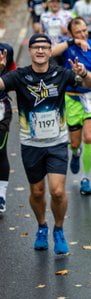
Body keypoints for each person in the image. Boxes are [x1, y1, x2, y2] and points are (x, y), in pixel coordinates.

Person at [0, 34, 91, 253]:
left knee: (57, 192)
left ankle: (59, 229)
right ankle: (42, 226)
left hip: (57, 143)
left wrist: (83, 72)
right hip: (31, 144)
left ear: (50, 50)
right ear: (31, 51)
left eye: (45, 47)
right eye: (36, 47)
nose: (40, 51)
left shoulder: (61, 74)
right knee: (37, 192)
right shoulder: (20, 76)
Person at [52, 17, 91, 195]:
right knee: (75, 142)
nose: (83, 34)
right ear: (71, 33)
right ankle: (75, 152)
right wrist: (72, 41)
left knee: (89, 137)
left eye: (85, 30)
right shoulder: (67, 47)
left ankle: (85, 179)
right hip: (71, 98)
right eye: (78, 32)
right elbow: (51, 52)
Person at [0, 43, 16, 213]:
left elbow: (15, 78)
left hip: (1, 109)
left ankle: (1, 194)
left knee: (0, 150)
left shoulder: (6, 50)